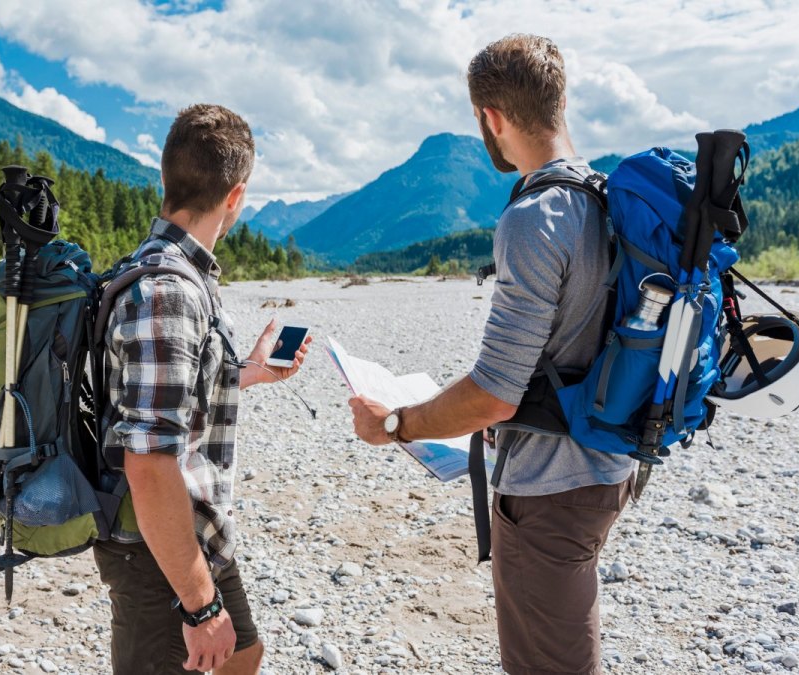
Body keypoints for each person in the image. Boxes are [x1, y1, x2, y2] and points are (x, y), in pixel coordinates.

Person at [349, 34, 635, 675]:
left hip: (551, 488)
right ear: (559, 103)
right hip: (610, 464)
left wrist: (396, 423)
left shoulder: (536, 218)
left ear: (493, 118)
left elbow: (495, 394)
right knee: (568, 640)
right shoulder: (610, 199)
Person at [95, 103, 311, 674]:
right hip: (155, 543)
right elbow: (146, 460)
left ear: (166, 180)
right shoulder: (168, 292)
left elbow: (166, 397)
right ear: (235, 196)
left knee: (243, 653)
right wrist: (199, 606)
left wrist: (247, 373)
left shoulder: (176, 275)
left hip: (196, 531)